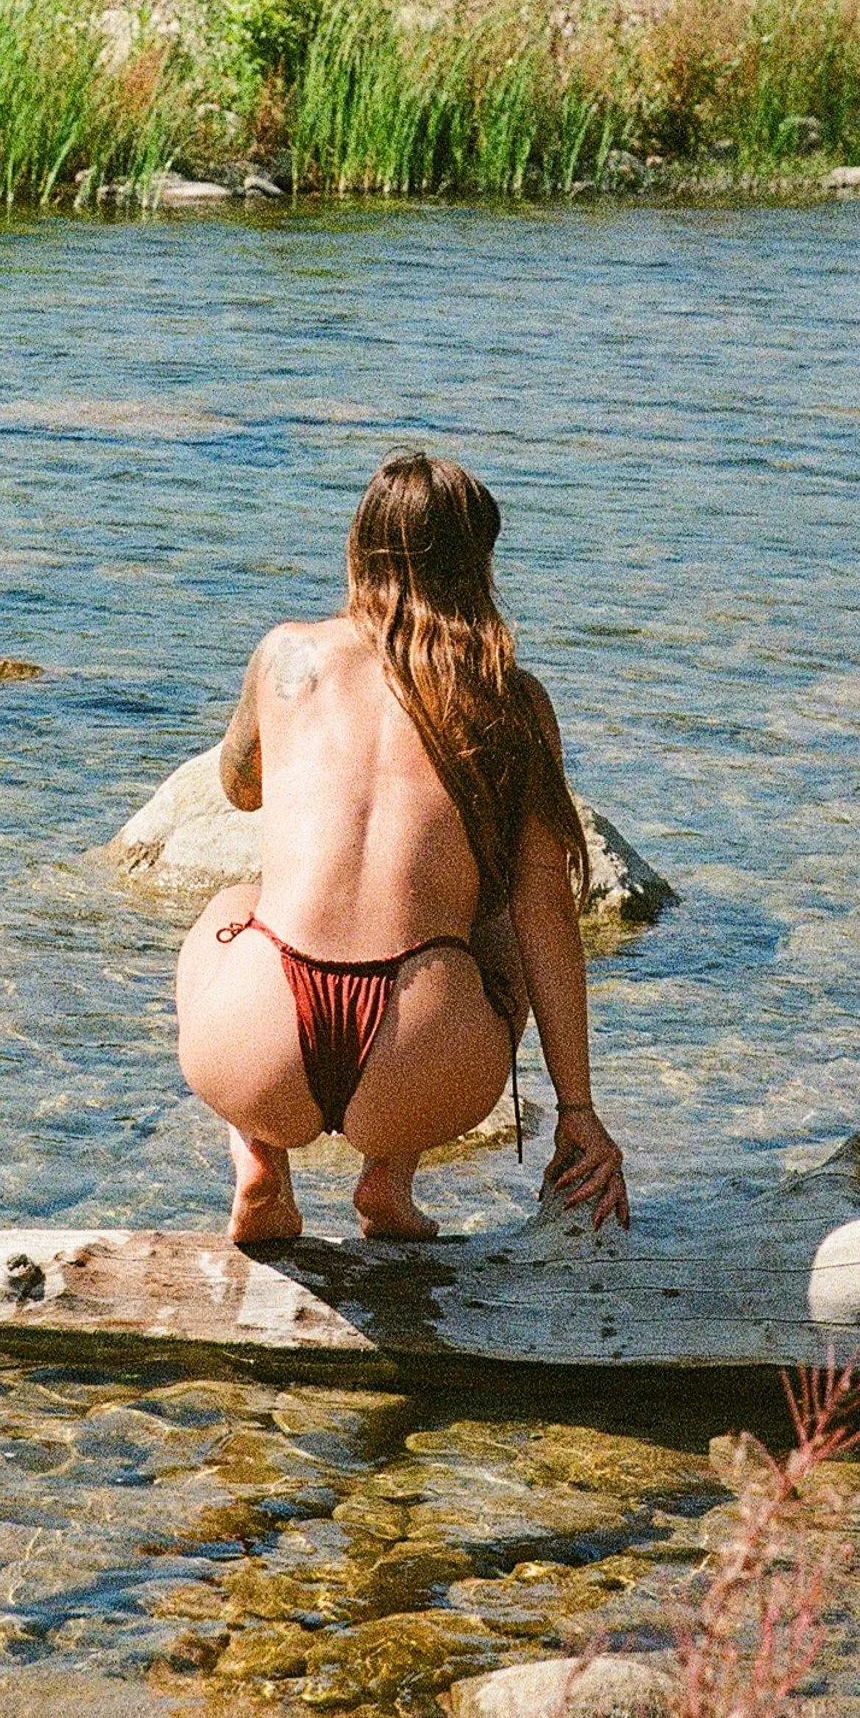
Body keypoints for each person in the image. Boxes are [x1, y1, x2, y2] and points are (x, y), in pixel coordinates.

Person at [175, 447, 630, 1248]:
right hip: (419, 1058)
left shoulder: (286, 654)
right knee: (494, 929)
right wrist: (579, 1110)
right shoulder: (508, 697)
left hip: (260, 1042)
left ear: (360, 547)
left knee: (231, 906)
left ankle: (260, 1158)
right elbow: (546, 910)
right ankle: (389, 1179)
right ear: (477, 565)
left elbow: (239, 785)